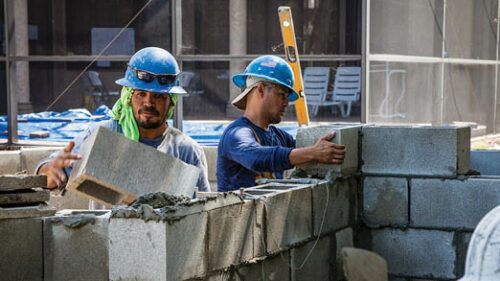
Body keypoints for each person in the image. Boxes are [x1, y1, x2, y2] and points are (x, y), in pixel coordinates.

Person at [36, 47, 210, 202]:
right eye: (141, 94)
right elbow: (50, 175)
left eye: (158, 96)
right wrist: (49, 172)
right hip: (107, 237)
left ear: (171, 102)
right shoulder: (102, 135)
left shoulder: (186, 151)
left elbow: (202, 211)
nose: (148, 103)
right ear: (128, 97)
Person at [216, 55, 346, 192]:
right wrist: (312, 153)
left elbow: (304, 148)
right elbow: (255, 158)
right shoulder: (236, 134)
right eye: (281, 95)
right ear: (261, 90)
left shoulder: (278, 136)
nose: (286, 103)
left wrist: (321, 150)